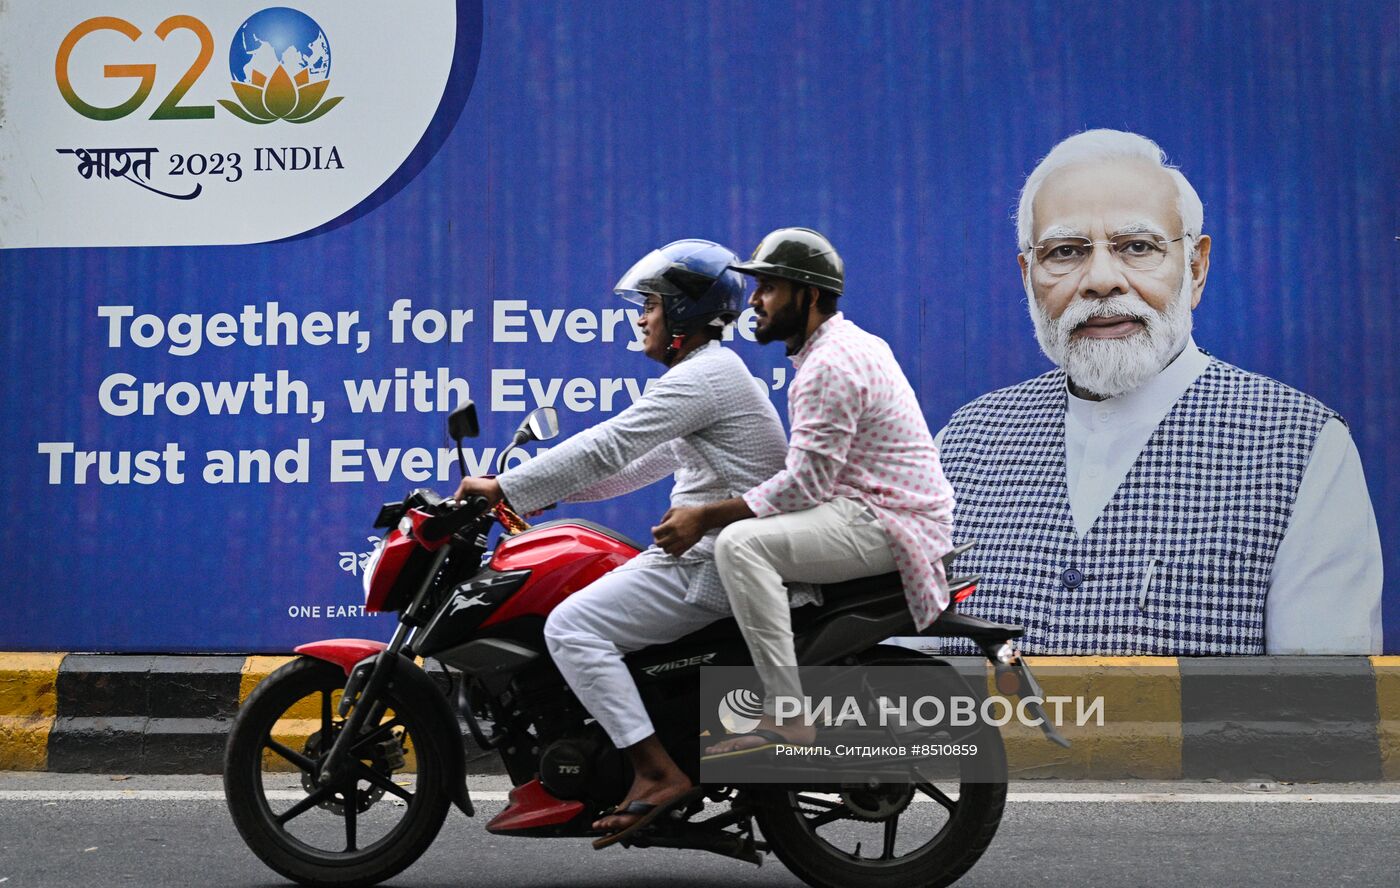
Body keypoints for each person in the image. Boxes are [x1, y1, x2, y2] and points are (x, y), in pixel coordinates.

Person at [931, 129, 1382, 656]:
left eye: (1137, 247)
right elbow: (897, 692)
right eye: (1065, 252)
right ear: (1027, 275)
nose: (1101, 279)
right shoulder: (961, 444)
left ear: (1196, 268)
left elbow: (1323, 716)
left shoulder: (1301, 447)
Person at [452, 239, 790, 839]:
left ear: (683, 315)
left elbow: (610, 446)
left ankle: (655, 771)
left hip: (716, 560)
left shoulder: (705, 376)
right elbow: (638, 465)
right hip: (725, 553)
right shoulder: (711, 375)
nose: (641, 317)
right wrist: (540, 495)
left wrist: (504, 486)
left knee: (571, 627)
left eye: (652, 305)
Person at [652, 228, 956, 756]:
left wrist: (704, 516)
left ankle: (786, 716)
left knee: (740, 544)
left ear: (809, 296)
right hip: (867, 509)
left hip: (883, 519)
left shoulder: (829, 365)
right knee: (746, 537)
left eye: (768, 287)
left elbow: (803, 485)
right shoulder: (842, 346)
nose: (754, 301)